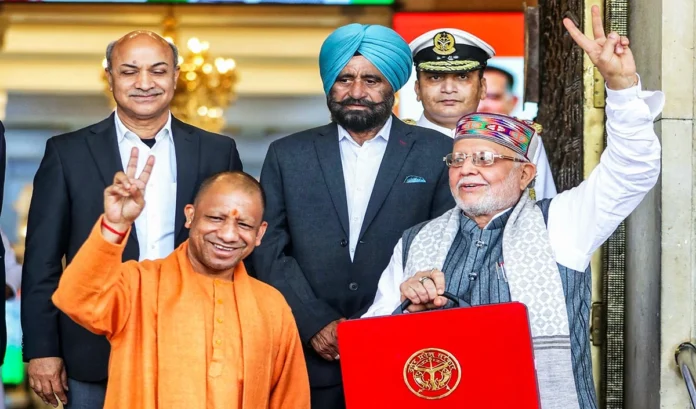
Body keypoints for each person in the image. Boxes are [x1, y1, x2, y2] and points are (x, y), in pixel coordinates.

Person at [363, 8, 663, 409]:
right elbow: (372, 339)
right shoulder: (416, 242)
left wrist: (621, 87)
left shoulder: (561, 224)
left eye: (485, 159)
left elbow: (632, 170)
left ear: (525, 174)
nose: (467, 169)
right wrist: (407, 311)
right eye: (458, 160)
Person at [21, 31, 243, 408]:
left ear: (176, 76)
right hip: (93, 348)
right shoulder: (67, 153)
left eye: (158, 70)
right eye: (129, 71)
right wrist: (43, 349)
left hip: (197, 342)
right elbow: (42, 261)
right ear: (109, 77)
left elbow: (239, 252)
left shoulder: (217, 151)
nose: (144, 83)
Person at [251, 23, 455, 408]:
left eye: (371, 80)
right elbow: (268, 247)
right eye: (345, 79)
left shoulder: (437, 152)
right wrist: (314, 322)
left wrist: (388, 319)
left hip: (406, 349)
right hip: (306, 355)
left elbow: (446, 244)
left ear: (392, 85)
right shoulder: (288, 154)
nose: (357, 91)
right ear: (329, 84)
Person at [51, 159, 310, 409]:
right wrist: (115, 226)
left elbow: (291, 398)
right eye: (216, 218)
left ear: (260, 233)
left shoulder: (271, 306)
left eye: (243, 224)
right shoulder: (140, 284)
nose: (228, 235)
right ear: (190, 215)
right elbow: (76, 299)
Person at [409, 28, 557, 199]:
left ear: (482, 87)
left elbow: (541, 207)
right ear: (417, 89)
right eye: (435, 77)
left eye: (462, 77)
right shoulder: (393, 139)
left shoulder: (519, 139)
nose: (448, 89)